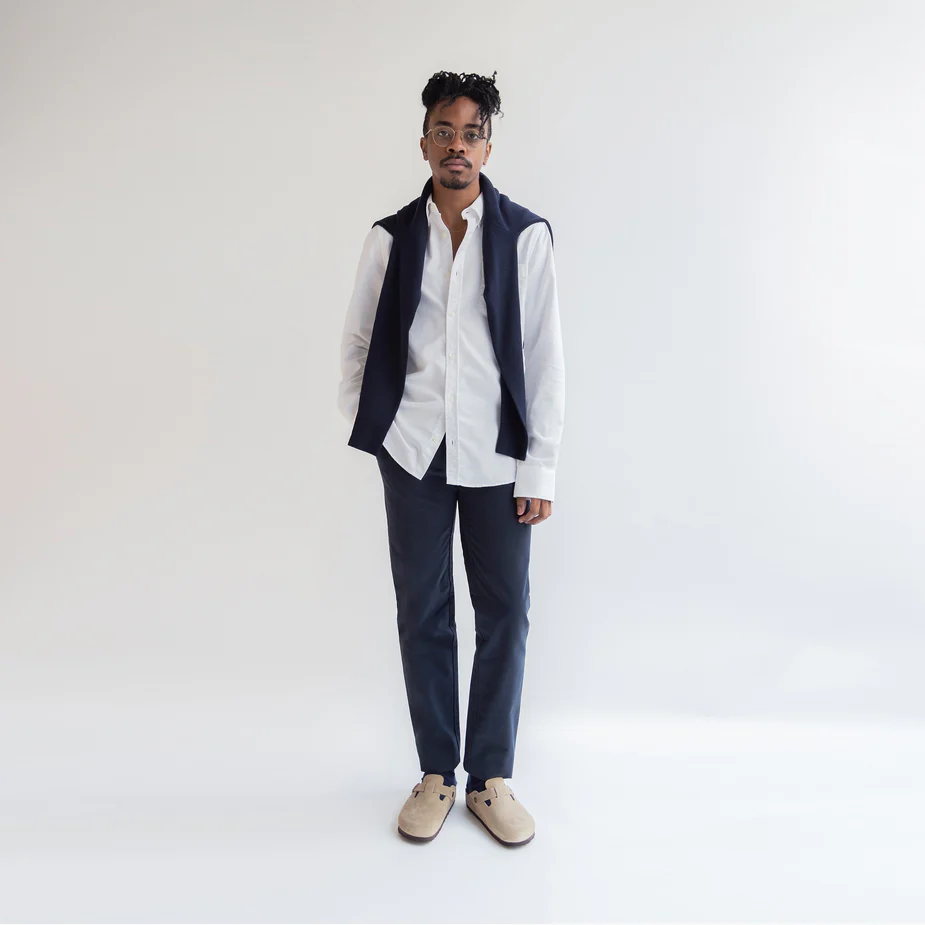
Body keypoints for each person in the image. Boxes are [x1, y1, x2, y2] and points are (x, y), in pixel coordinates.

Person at [337, 69, 565, 846]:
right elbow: (358, 341)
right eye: (444, 131)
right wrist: (378, 428)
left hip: (499, 456)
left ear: (487, 147)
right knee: (422, 611)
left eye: (470, 133)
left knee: (504, 612)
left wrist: (540, 466)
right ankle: (437, 772)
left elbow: (543, 356)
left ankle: (488, 777)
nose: (456, 146)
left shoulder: (525, 236)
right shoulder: (391, 237)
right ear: (424, 143)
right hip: (414, 452)